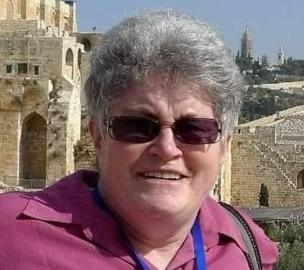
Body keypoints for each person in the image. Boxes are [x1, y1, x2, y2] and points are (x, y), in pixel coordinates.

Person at [0, 10, 278, 269]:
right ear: (97, 136)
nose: (167, 148)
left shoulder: (246, 247)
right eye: (137, 126)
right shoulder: (10, 234)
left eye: (194, 129)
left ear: (225, 145)